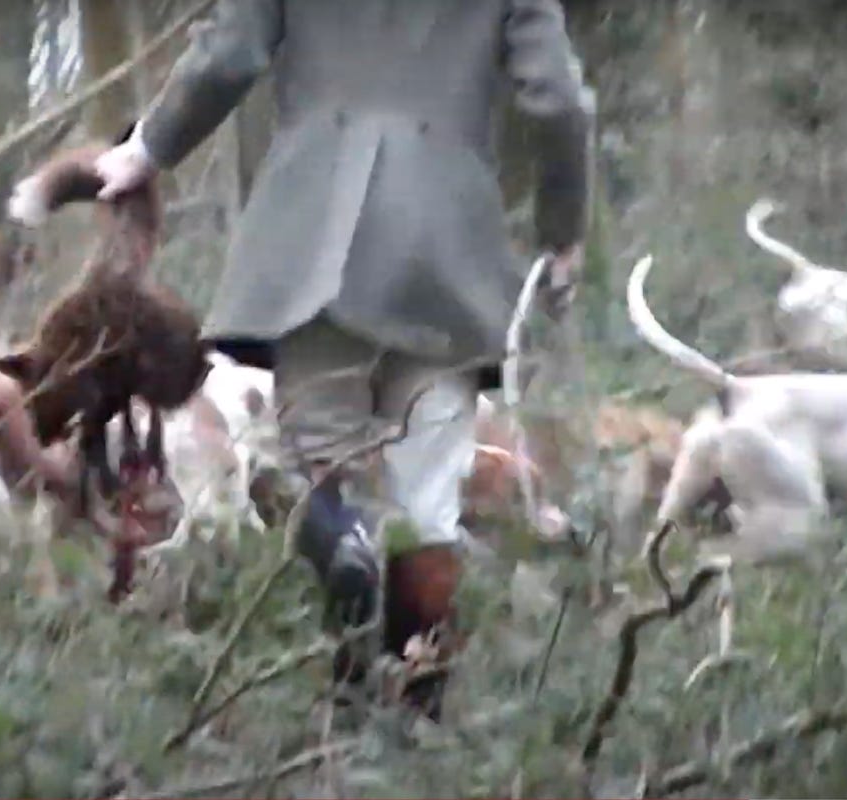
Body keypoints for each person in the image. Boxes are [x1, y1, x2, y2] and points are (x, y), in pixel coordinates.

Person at [88, 0, 589, 720]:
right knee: (427, 507)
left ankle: (347, 616)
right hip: (447, 256)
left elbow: (230, 54)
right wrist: (561, 234)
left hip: (314, 240)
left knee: (320, 472)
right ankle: (414, 719)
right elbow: (561, 101)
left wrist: (146, 149)